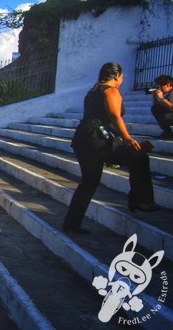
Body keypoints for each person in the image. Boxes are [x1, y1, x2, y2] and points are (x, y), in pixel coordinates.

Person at [63, 62, 159, 234]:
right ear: (117, 76)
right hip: (98, 140)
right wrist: (128, 139)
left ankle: (71, 224)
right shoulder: (111, 90)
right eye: (122, 77)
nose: (122, 80)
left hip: (82, 139)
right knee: (139, 157)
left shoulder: (93, 92)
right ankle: (141, 201)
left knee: (89, 182)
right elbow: (115, 116)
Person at [151, 74, 173, 139]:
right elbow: (156, 107)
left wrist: (163, 99)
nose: (160, 88)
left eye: (161, 86)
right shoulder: (168, 94)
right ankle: (167, 132)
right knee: (155, 109)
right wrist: (154, 96)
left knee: (165, 116)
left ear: (168, 85)